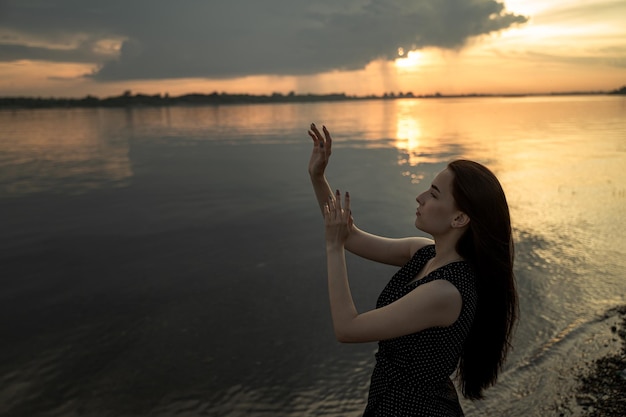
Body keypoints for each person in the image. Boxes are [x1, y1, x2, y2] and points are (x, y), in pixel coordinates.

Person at [306, 123, 518, 416]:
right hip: (389, 401)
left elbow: (347, 328)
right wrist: (318, 177)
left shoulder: (445, 292)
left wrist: (332, 247)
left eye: (433, 193)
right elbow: (350, 237)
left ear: (459, 219)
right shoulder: (424, 253)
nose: (420, 197)